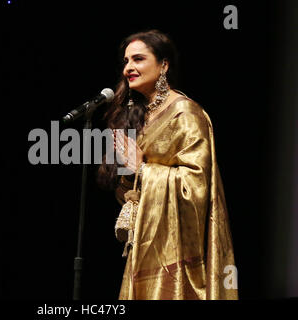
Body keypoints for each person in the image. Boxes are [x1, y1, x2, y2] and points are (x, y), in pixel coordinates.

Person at [97, 29, 238, 300]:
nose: (128, 68)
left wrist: (142, 170)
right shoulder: (140, 115)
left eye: (138, 59)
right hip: (144, 247)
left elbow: (196, 187)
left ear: (164, 64)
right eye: (126, 61)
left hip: (180, 253)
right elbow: (130, 196)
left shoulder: (186, 113)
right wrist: (126, 177)